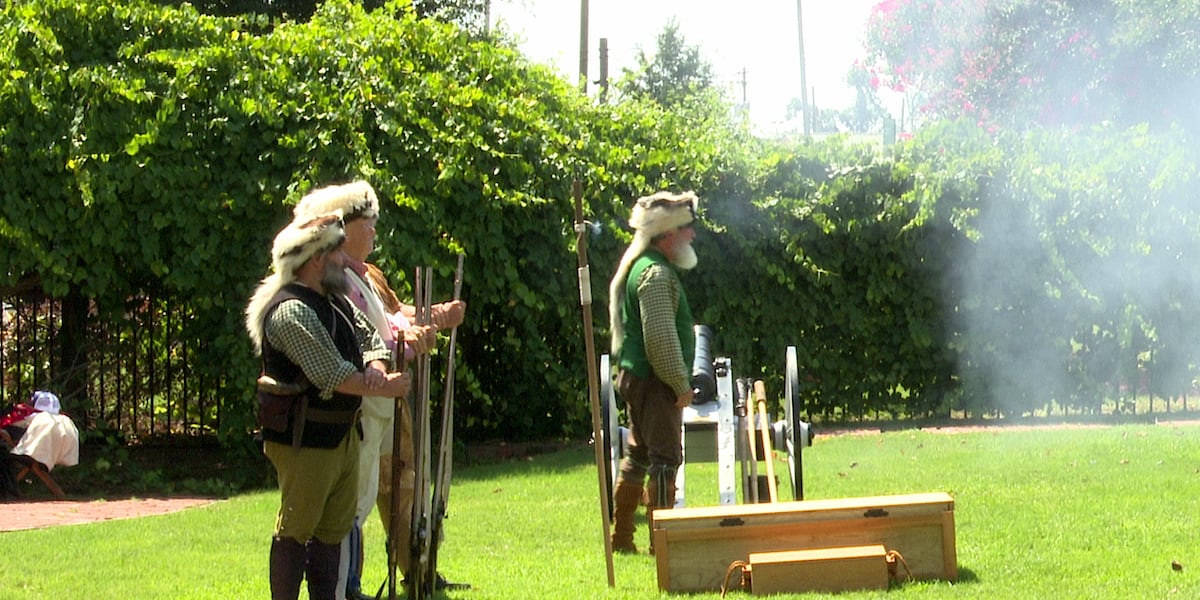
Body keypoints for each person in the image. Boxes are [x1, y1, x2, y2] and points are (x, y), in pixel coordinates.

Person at [291, 181, 466, 600]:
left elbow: (390, 318)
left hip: (380, 398)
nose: (372, 231)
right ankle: (344, 586)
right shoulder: (339, 281)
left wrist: (432, 320)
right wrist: (407, 343)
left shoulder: (363, 274)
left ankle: (387, 575)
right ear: (344, 228)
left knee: (373, 492)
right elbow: (367, 336)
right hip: (361, 401)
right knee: (351, 501)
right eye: (366, 223)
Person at [245, 212, 411, 600]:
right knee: (295, 532)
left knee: (332, 535)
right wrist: (386, 388)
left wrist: (375, 364)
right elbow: (330, 373)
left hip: (340, 435)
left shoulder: (334, 300)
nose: (345, 259)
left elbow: (372, 337)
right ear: (317, 258)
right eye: (336, 250)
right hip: (305, 441)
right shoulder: (290, 311)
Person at [606, 190, 700, 554]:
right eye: (686, 228)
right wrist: (680, 384)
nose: (692, 235)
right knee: (665, 460)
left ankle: (623, 538)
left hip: (639, 378)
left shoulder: (645, 267)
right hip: (655, 382)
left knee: (638, 455)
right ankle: (660, 545)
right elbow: (660, 338)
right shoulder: (656, 274)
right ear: (667, 235)